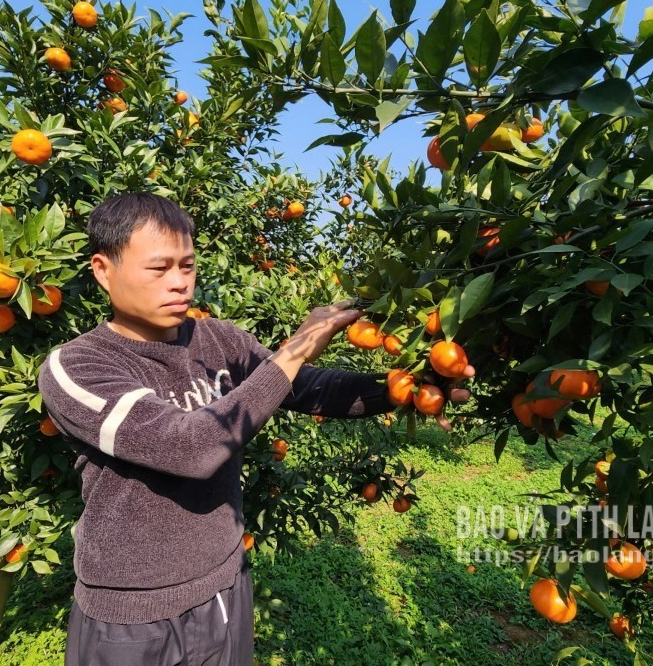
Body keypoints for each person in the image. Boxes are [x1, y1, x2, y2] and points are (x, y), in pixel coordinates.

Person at [37, 192, 473, 666]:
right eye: (160, 269)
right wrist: (296, 348)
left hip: (225, 586)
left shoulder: (218, 338)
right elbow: (188, 449)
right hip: (132, 618)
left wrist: (405, 386)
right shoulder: (77, 366)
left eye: (188, 266)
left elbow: (303, 388)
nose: (180, 284)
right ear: (103, 270)